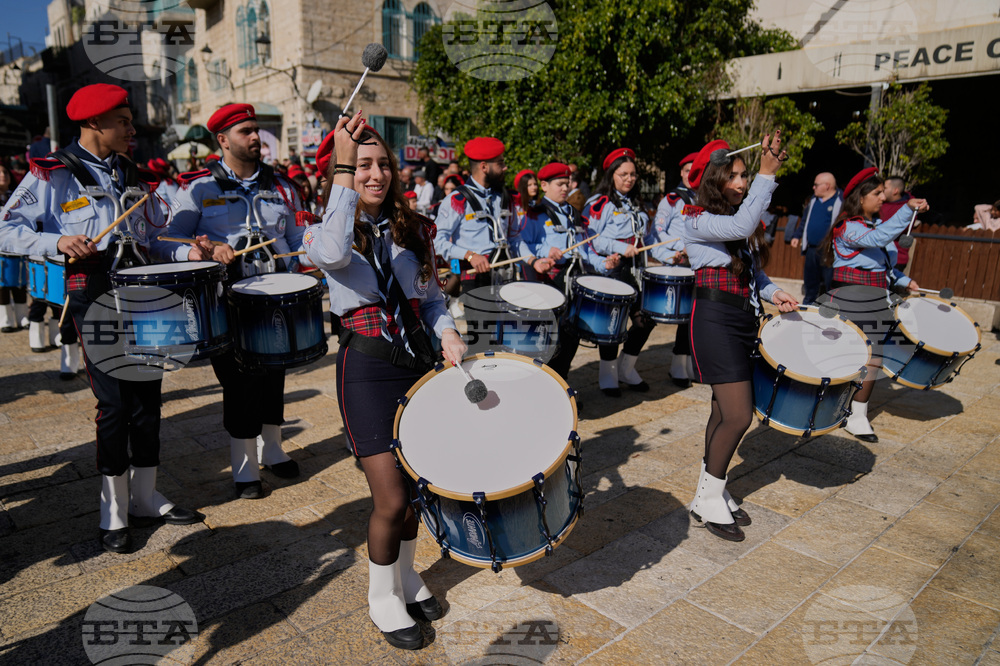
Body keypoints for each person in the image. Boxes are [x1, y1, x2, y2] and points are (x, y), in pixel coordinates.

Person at [0, 83, 202, 552]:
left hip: (144, 294)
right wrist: (55, 243)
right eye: (123, 121)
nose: (132, 129)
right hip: (93, 295)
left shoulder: (131, 172)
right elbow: (6, 228)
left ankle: (146, 497)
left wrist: (190, 247)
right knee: (114, 405)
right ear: (94, 123)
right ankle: (112, 509)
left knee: (149, 400)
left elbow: (154, 237)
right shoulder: (52, 175)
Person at [304, 110, 466, 650]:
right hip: (367, 368)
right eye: (362, 166)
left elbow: (431, 297)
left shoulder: (415, 228)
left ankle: (407, 575)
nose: (375, 175)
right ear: (345, 173)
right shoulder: (326, 231)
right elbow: (330, 255)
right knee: (391, 497)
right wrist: (342, 173)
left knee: (418, 489)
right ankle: (381, 597)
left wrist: (447, 332)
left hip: (416, 365)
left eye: (382, 165)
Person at [151, 103, 306, 499]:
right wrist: (200, 250)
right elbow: (167, 241)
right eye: (245, 132)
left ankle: (272, 449)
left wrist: (305, 264)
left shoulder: (282, 186)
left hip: (274, 298)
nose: (256, 137)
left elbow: (290, 241)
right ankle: (243, 466)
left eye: (256, 130)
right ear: (222, 140)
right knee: (238, 382)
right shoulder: (198, 188)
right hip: (226, 301)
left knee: (274, 373)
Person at [684, 133, 798, 542]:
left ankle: (710, 490)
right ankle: (709, 495)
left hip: (740, 319)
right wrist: (769, 175)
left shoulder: (731, 220)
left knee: (721, 412)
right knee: (738, 415)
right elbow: (742, 224)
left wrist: (774, 292)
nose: (741, 183)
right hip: (714, 319)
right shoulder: (695, 218)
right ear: (713, 180)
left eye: (745, 175)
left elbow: (752, 273)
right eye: (732, 176)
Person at [820, 167, 926, 444]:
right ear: (861, 196)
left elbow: (885, 266)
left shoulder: (876, 226)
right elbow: (876, 242)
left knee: (872, 358)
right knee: (853, 356)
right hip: (851, 297)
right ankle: (830, 405)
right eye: (877, 193)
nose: (882, 198)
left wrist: (906, 280)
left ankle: (856, 414)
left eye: (882, 192)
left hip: (877, 298)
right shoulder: (848, 227)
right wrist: (906, 209)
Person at [516, 162, 610, 381]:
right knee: (549, 340)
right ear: (545, 185)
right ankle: (544, 384)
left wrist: (604, 263)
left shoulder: (575, 215)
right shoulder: (534, 215)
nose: (565, 188)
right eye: (559, 184)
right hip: (549, 282)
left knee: (571, 337)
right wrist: (545, 251)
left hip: (575, 282)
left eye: (567, 183)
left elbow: (586, 250)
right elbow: (522, 244)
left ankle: (561, 381)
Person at [583, 147, 656, 397]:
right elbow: (589, 238)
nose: (629, 179)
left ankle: (627, 366)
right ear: (611, 174)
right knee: (613, 323)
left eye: (633, 174)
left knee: (646, 319)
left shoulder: (637, 203)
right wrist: (619, 247)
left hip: (637, 268)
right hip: (613, 268)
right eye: (623, 174)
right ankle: (607, 374)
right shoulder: (599, 203)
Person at [433, 137, 520, 290]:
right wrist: (469, 255)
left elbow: (514, 238)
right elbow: (437, 241)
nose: (505, 167)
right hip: (475, 279)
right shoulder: (456, 200)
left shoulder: (504, 197)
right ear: (484, 167)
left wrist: (533, 260)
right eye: (500, 163)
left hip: (505, 276)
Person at [651, 152, 699, 387]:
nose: (692, 174)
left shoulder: (704, 198)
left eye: (697, 169)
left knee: (691, 319)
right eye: (688, 169)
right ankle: (624, 366)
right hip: (676, 263)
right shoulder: (672, 199)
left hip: (697, 266)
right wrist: (680, 249)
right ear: (681, 172)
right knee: (654, 318)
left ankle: (682, 365)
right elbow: (659, 231)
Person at [789, 172, 842, 304]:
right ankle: (807, 308)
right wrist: (797, 235)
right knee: (810, 283)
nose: (813, 187)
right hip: (812, 249)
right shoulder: (813, 200)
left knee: (829, 284)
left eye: (816, 185)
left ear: (827, 186)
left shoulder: (840, 201)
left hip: (829, 250)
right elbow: (804, 221)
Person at [0, 162, 29, 333]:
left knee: (20, 283)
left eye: (5, 172)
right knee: (2, 285)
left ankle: (22, 316)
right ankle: (5, 319)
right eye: (0, 173)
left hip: (17, 247)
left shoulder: (15, 196)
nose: (3, 175)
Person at [880, 176, 913, 271]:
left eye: (885, 188)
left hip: (896, 258)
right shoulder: (883, 203)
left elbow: (887, 230)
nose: (882, 191)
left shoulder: (907, 208)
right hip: (880, 255)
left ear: (895, 190)